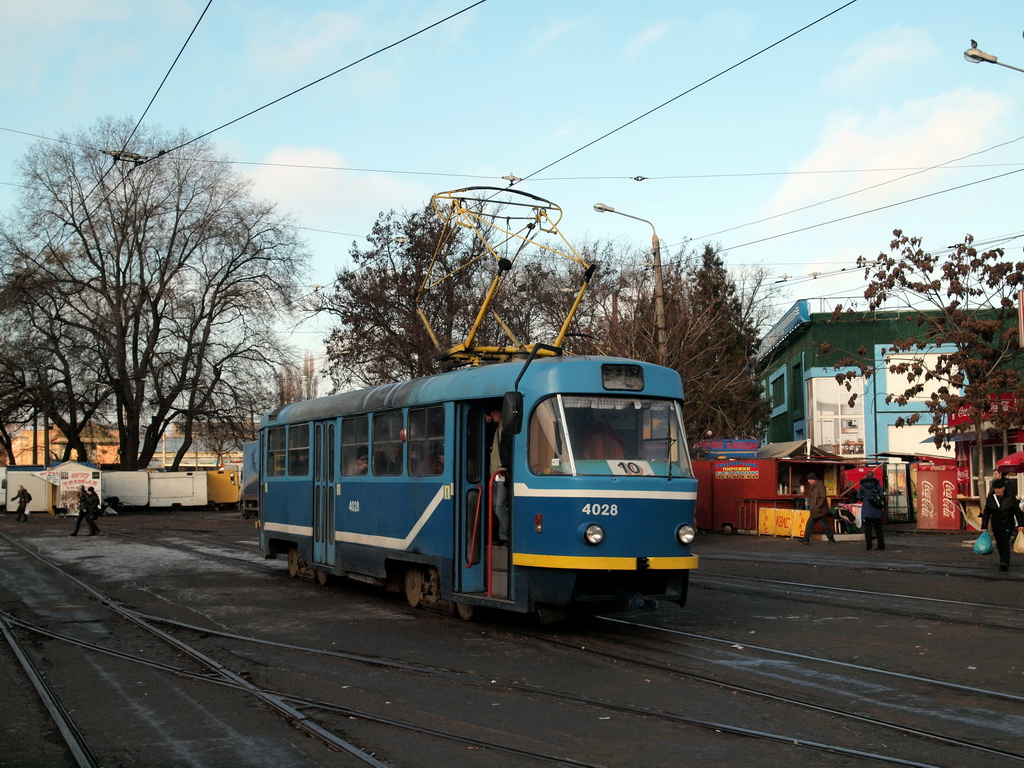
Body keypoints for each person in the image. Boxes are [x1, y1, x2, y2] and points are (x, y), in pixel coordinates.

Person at [981, 478, 1024, 572]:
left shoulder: (1010, 498)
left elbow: (1018, 512)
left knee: (1005, 541)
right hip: (996, 525)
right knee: (999, 543)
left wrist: (1021, 524)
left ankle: (1004, 562)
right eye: (996, 488)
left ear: (1004, 488)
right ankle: (1003, 559)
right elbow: (987, 513)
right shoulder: (991, 499)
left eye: (1000, 488)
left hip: (1008, 524)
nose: (998, 490)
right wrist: (984, 526)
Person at [486, 404, 511, 545]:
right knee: (496, 507)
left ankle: (509, 533)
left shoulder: (507, 430)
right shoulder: (494, 428)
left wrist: (506, 468)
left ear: (501, 412)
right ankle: (503, 536)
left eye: (494, 411)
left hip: (502, 473)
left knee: (501, 506)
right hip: (492, 474)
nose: (492, 414)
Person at [800, 472, 835, 544]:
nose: (808, 481)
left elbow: (823, 497)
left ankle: (831, 539)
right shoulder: (813, 486)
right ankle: (806, 539)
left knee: (825, 526)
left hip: (821, 510)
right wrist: (809, 502)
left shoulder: (820, 485)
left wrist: (818, 506)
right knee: (809, 524)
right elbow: (813, 497)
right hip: (815, 510)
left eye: (809, 479)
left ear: (813, 479)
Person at [857, 472, 885, 551]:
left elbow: (858, 496)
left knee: (867, 528)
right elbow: (882, 495)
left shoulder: (862, 485)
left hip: (867, 508)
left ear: (866, 475)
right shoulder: (876, 484)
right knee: (878, 528)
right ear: (873, 476)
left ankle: (869, 546)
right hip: (876, 508)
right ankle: (881, 545)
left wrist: (865, 500)